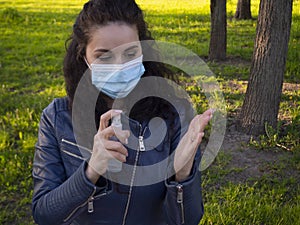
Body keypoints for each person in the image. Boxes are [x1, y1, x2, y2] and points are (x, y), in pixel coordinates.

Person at [32, 0, 213, 224]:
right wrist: (91, 171)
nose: (119, 66)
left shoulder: (173, 113)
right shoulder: (57, 118)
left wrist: (183, 175)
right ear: (83, 56)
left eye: (130, 53)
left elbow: (188, 220)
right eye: (104, 56)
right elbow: (44, 214)